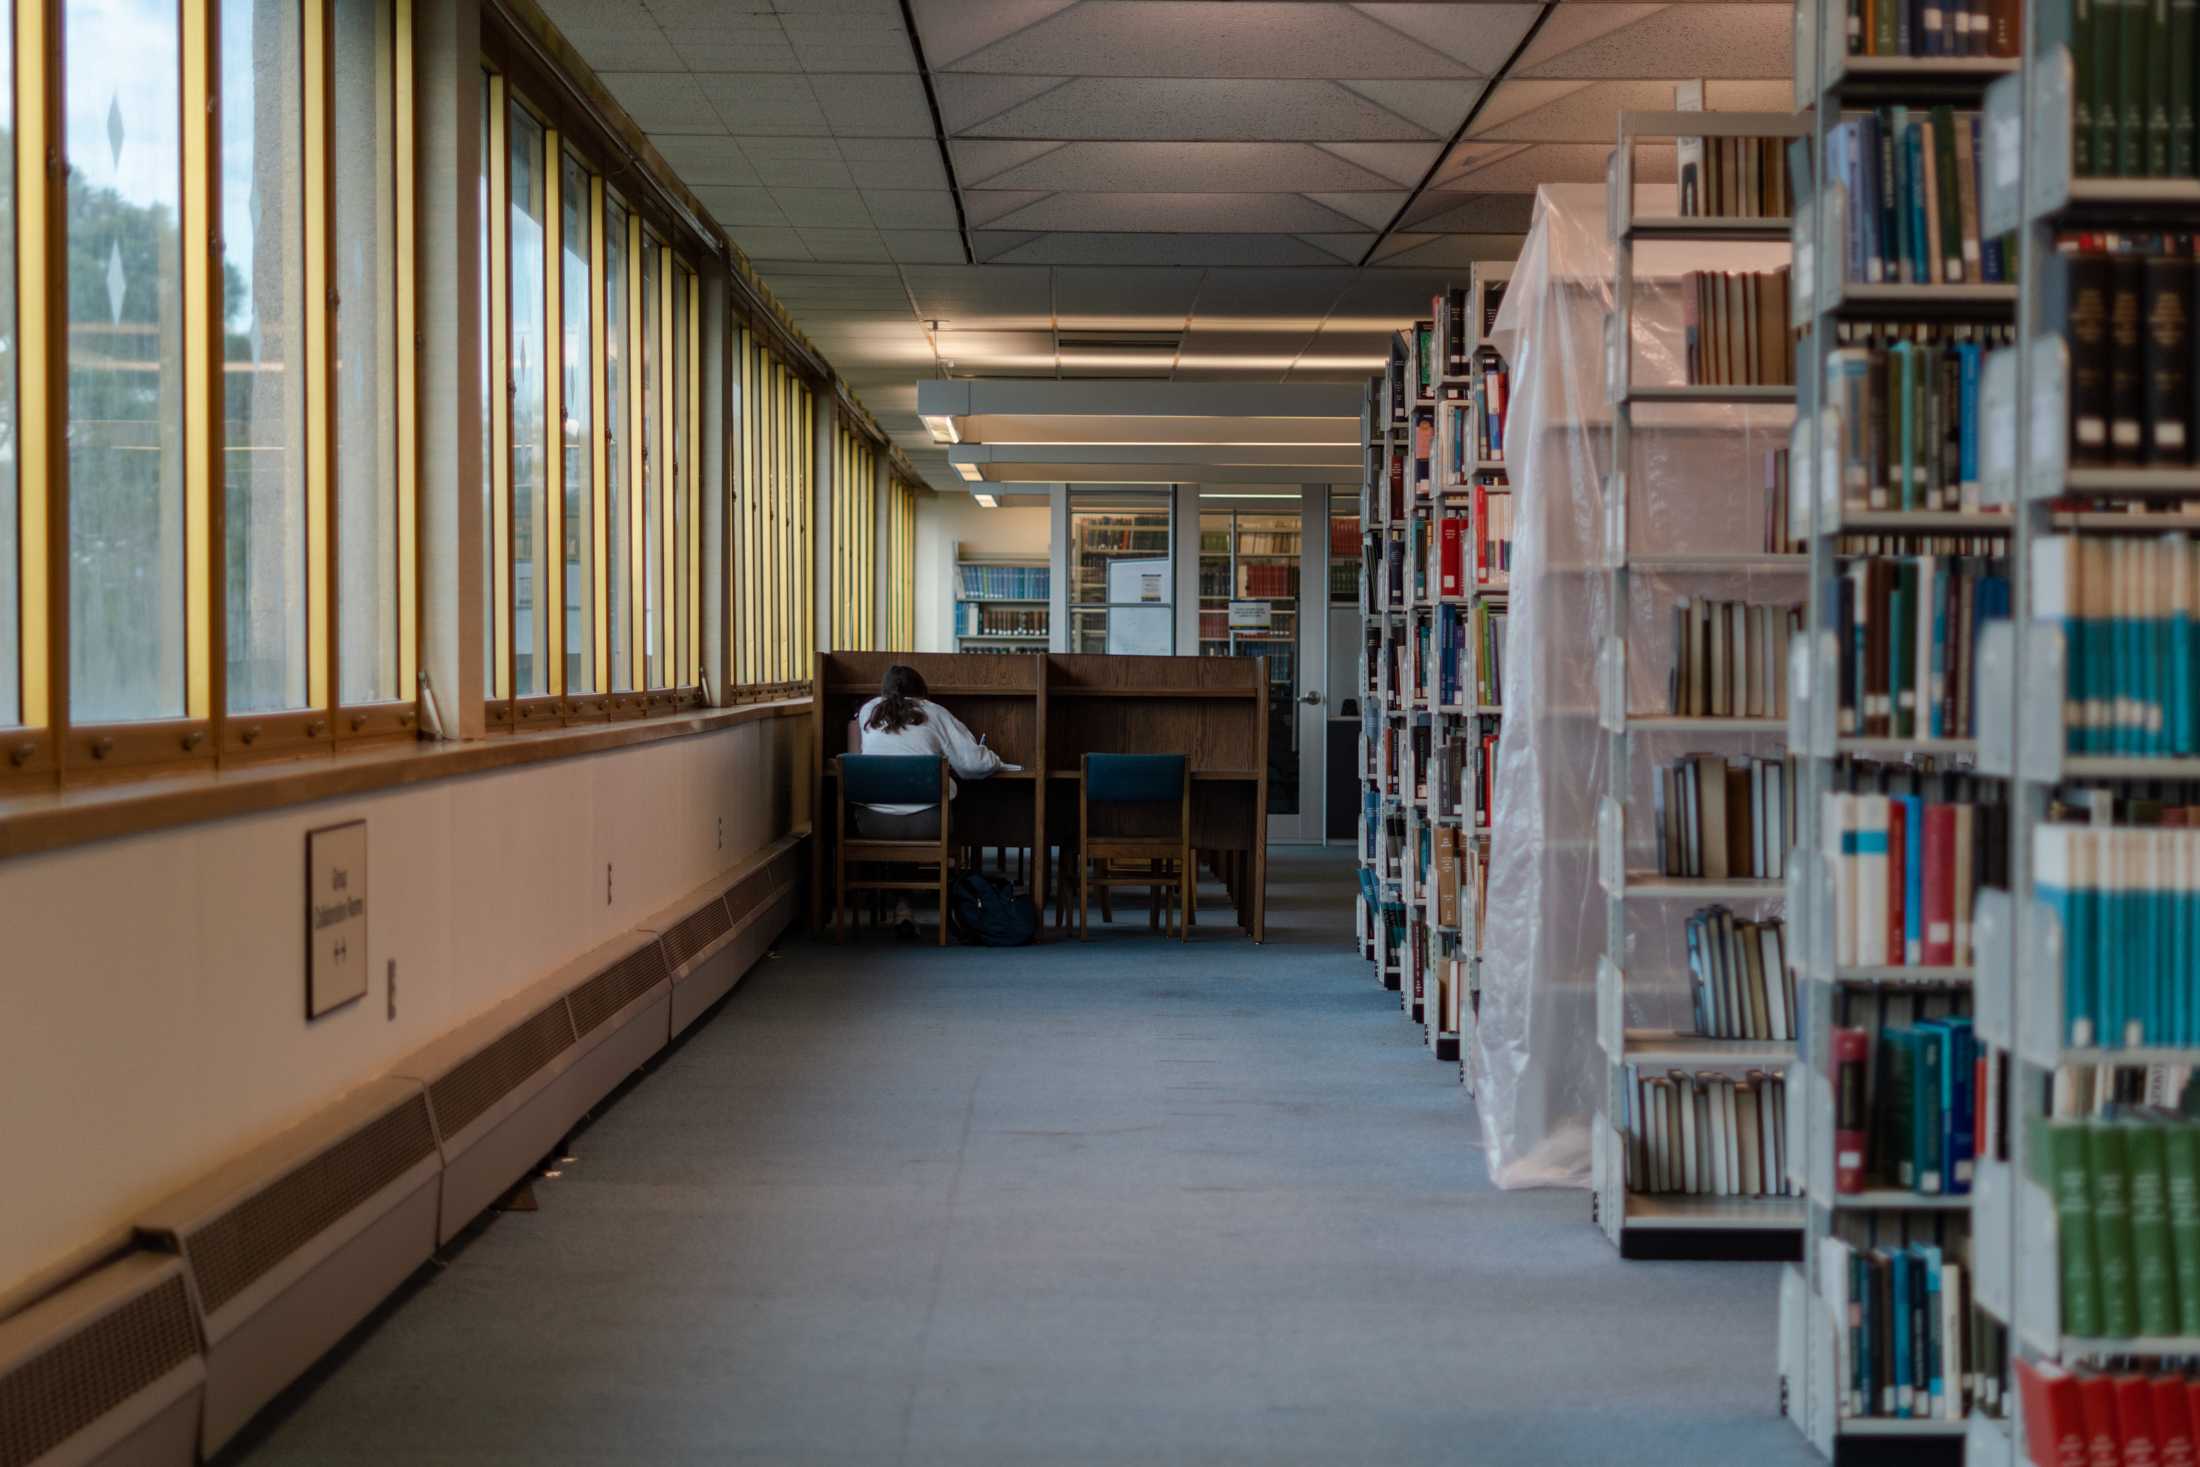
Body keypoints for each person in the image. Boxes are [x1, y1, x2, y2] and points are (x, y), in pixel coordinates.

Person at [853, 664, 1004, 936]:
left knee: (897, 811)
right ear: (922, 692)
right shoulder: (935, 712)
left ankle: (903, 908)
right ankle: (941, 908)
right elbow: (972, 764)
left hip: (873, 825)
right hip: (929, 824)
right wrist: (995, 759)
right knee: (940, 807)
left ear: (884, 690)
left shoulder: (867, 711)